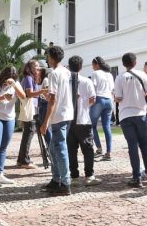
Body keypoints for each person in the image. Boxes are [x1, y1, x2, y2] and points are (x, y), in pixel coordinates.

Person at [114, 52, 147, 187]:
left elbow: (118, 98)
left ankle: (137, 177)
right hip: (141, 113)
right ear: (135, 62)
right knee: (145, 145)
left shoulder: (120, 77)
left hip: (126, 115)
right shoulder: (142, 75)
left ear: (123, 64)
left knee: (132, 146)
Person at [39, 45, 74, 195]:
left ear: (51, 58)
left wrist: (45, 121)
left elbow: (52, 100)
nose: (47, 59)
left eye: (48, 56)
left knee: (60, 149)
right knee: (54, 148)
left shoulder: (53, 74)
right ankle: (56, 179)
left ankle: (65, 183)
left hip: (59, 115)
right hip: (67, 113)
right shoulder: (66, 72)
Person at [67, 55, 101, 186]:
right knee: (87, 149)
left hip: (69, 120)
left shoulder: (65, 81)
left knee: (71, 149)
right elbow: (93, 99)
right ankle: (89, 175)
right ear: (81, 67)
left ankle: (74, 176)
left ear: (69, 67)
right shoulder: (87, 81)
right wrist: (84, 104)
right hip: (83, 119)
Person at [17, 61, 42, 167]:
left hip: (32, 109)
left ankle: (22, 159)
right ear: (30, 67)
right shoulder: (28, 78)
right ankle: (24, 160)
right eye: (36, 66)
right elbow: (29, 93)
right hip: (30, 109)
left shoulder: (31, 78)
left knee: (28, 133)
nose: (38, 68)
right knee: (29, 133)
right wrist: (43, 91)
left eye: (38, 66)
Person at [89, 57, 115, 160]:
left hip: (99, 99)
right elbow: (112, 88)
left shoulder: (95, 73)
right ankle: (109, 152)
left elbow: (93, 88)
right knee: (106, 126)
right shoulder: (109, 74)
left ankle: (99, 149)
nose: (92, 67)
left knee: (92, 125)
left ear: (97, 65)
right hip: (109, 100)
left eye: (93, 65)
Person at [34, 64, 52, 169]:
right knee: (44, 131)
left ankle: (50, 150)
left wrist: (40, 93)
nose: (35, 72)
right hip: (41, 105)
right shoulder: (40, 81)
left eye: (37, 70)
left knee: (46, 130)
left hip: (44, 104)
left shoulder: (45, 80)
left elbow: (46, 94)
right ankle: (49, 150)